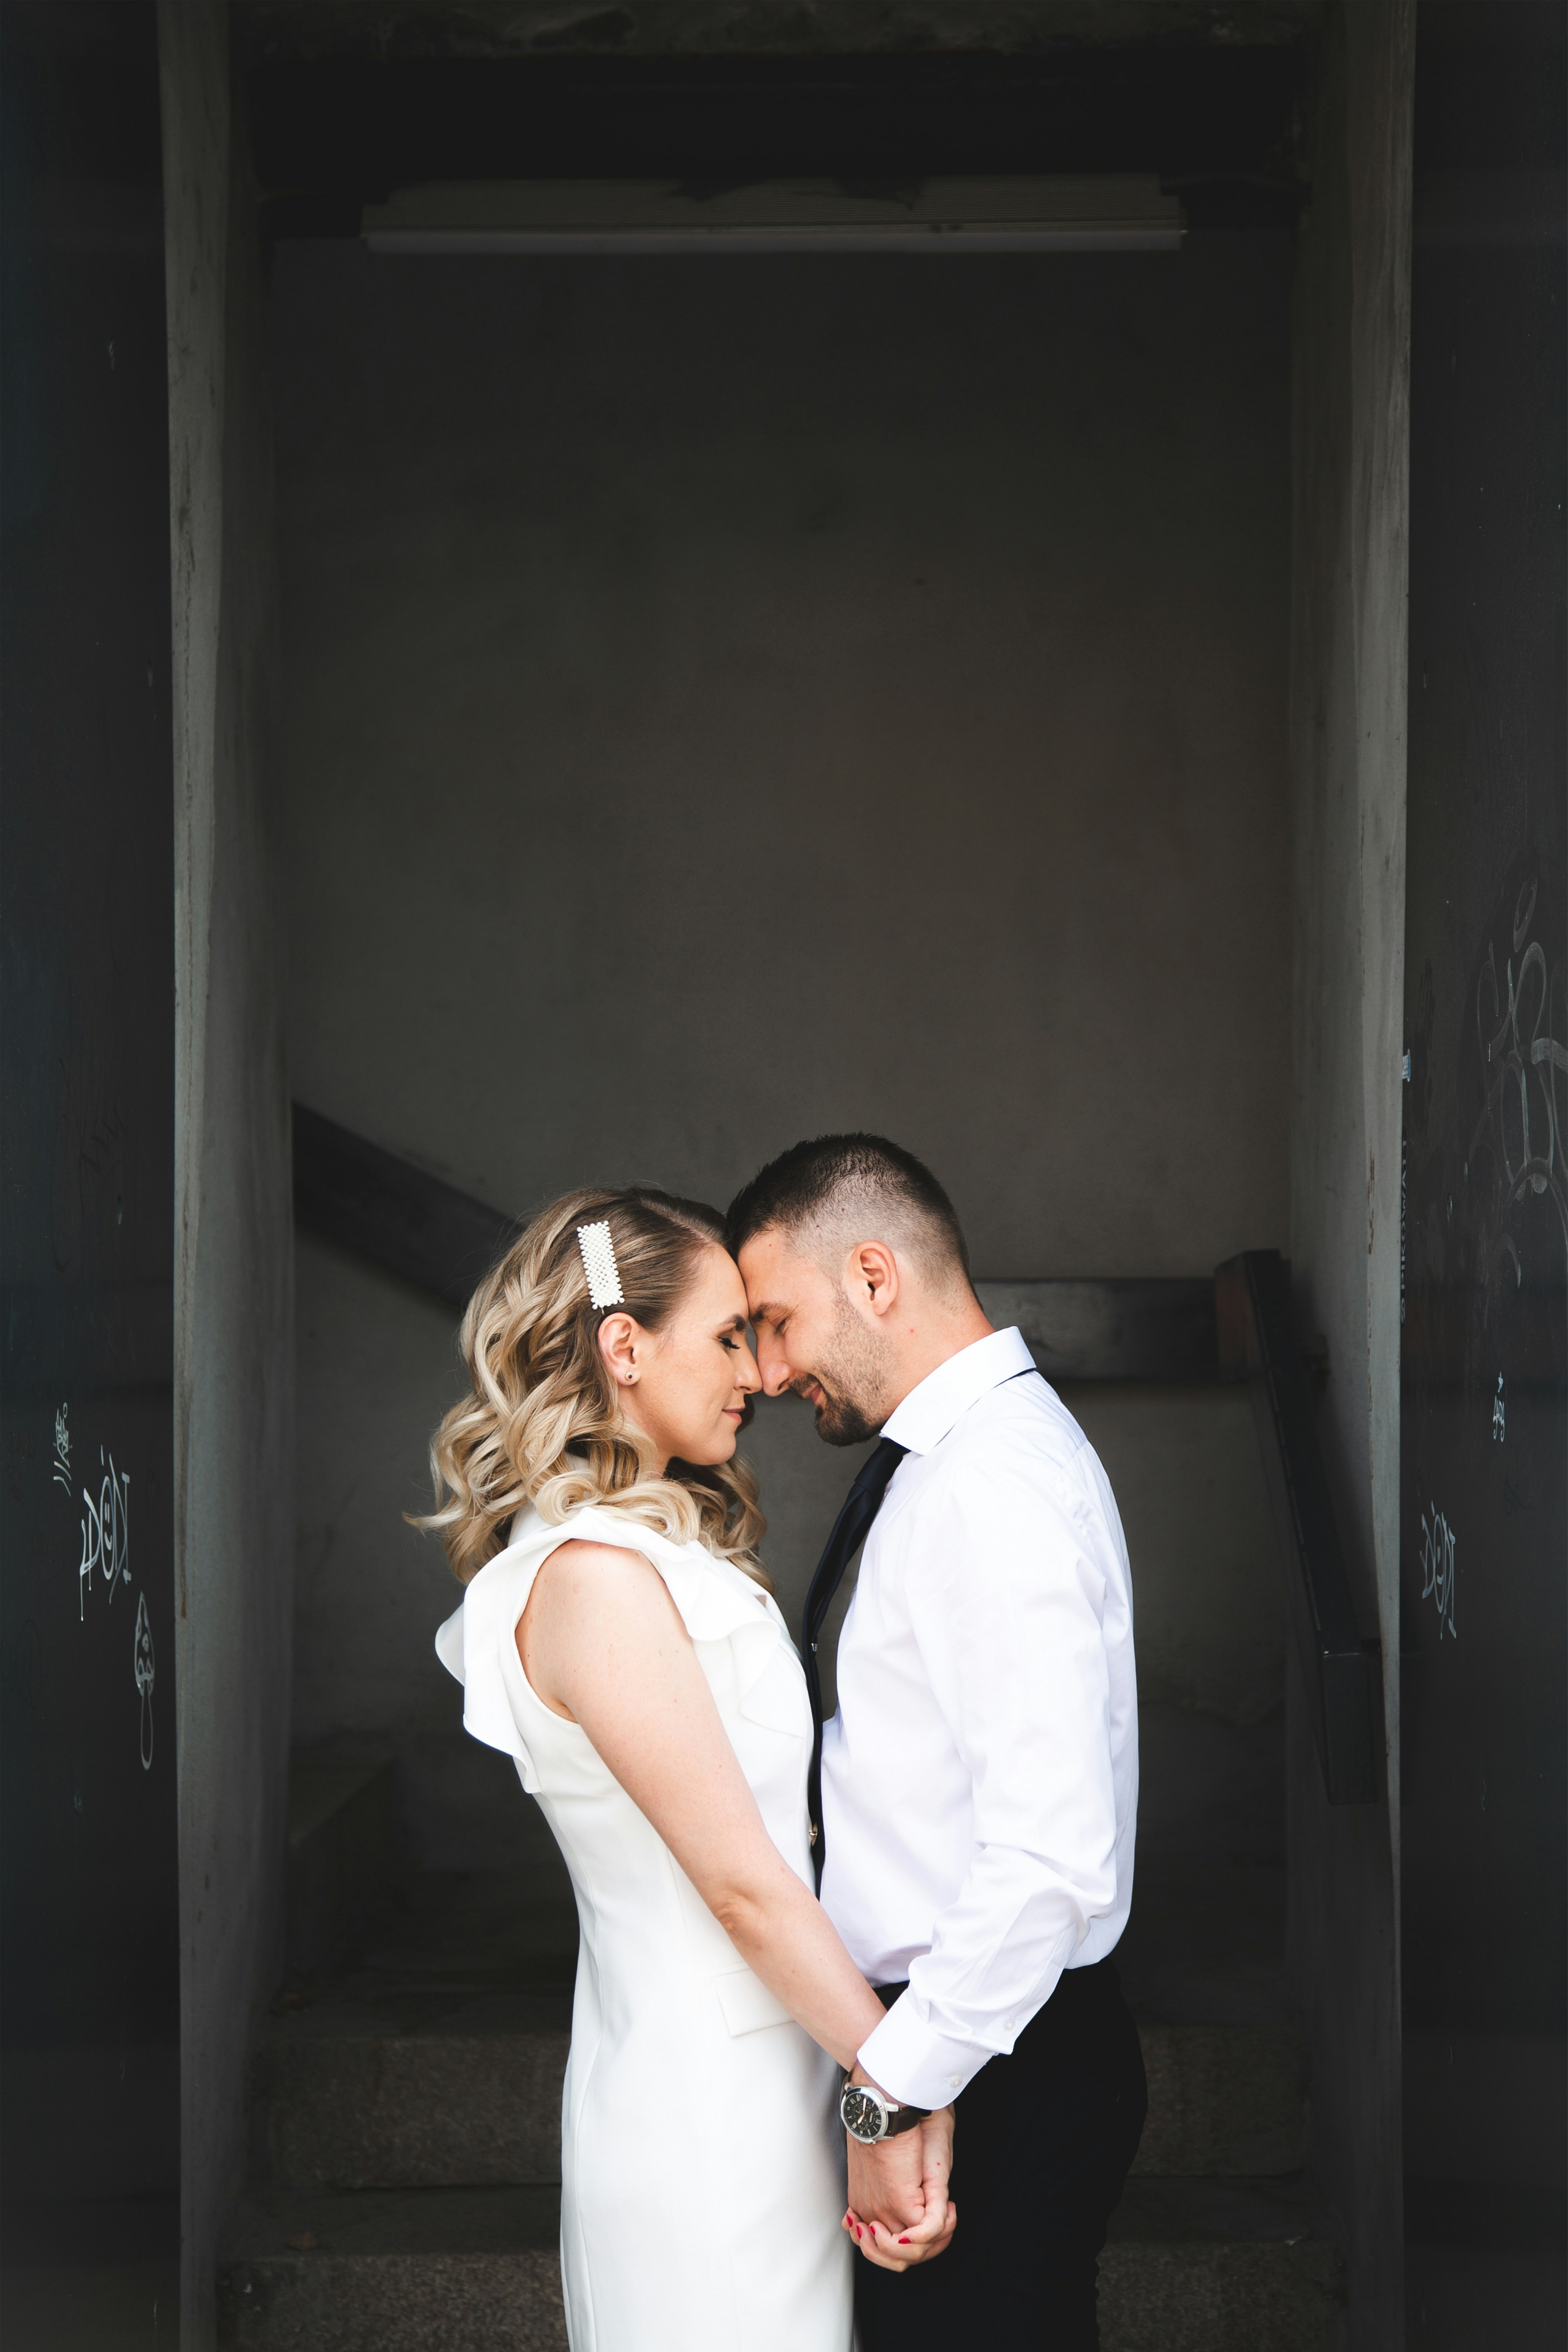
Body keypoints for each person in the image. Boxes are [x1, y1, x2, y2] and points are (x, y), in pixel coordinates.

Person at [418, 1185, 955, 2352]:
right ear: (624, 1345)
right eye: (725, 1336)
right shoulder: (592, 1580)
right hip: (701, 2120)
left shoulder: (649, 1548)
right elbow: (740, 1883)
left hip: (769, 2084)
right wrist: (896, 2088)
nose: (758, 1374)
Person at [729, 1134, 1147, 2352]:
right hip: (969, 2034)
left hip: (990, 2048)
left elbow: (1050, 1856)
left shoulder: (989, 1486)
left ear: (873, 1275)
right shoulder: (957, 1459)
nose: (764, 1369)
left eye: (775, 1320)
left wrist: (894, 2090)